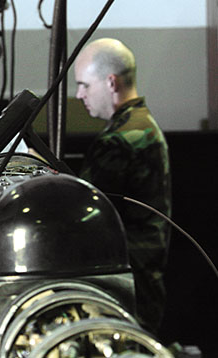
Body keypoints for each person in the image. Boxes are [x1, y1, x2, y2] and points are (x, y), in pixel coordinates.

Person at [74, 38, 172, 334]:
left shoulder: (119, 140)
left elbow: (80, 213)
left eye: (85, 85)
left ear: (111, 82)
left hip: (124, 286)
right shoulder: (140, 124)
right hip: (140, 279)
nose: (79, 94)